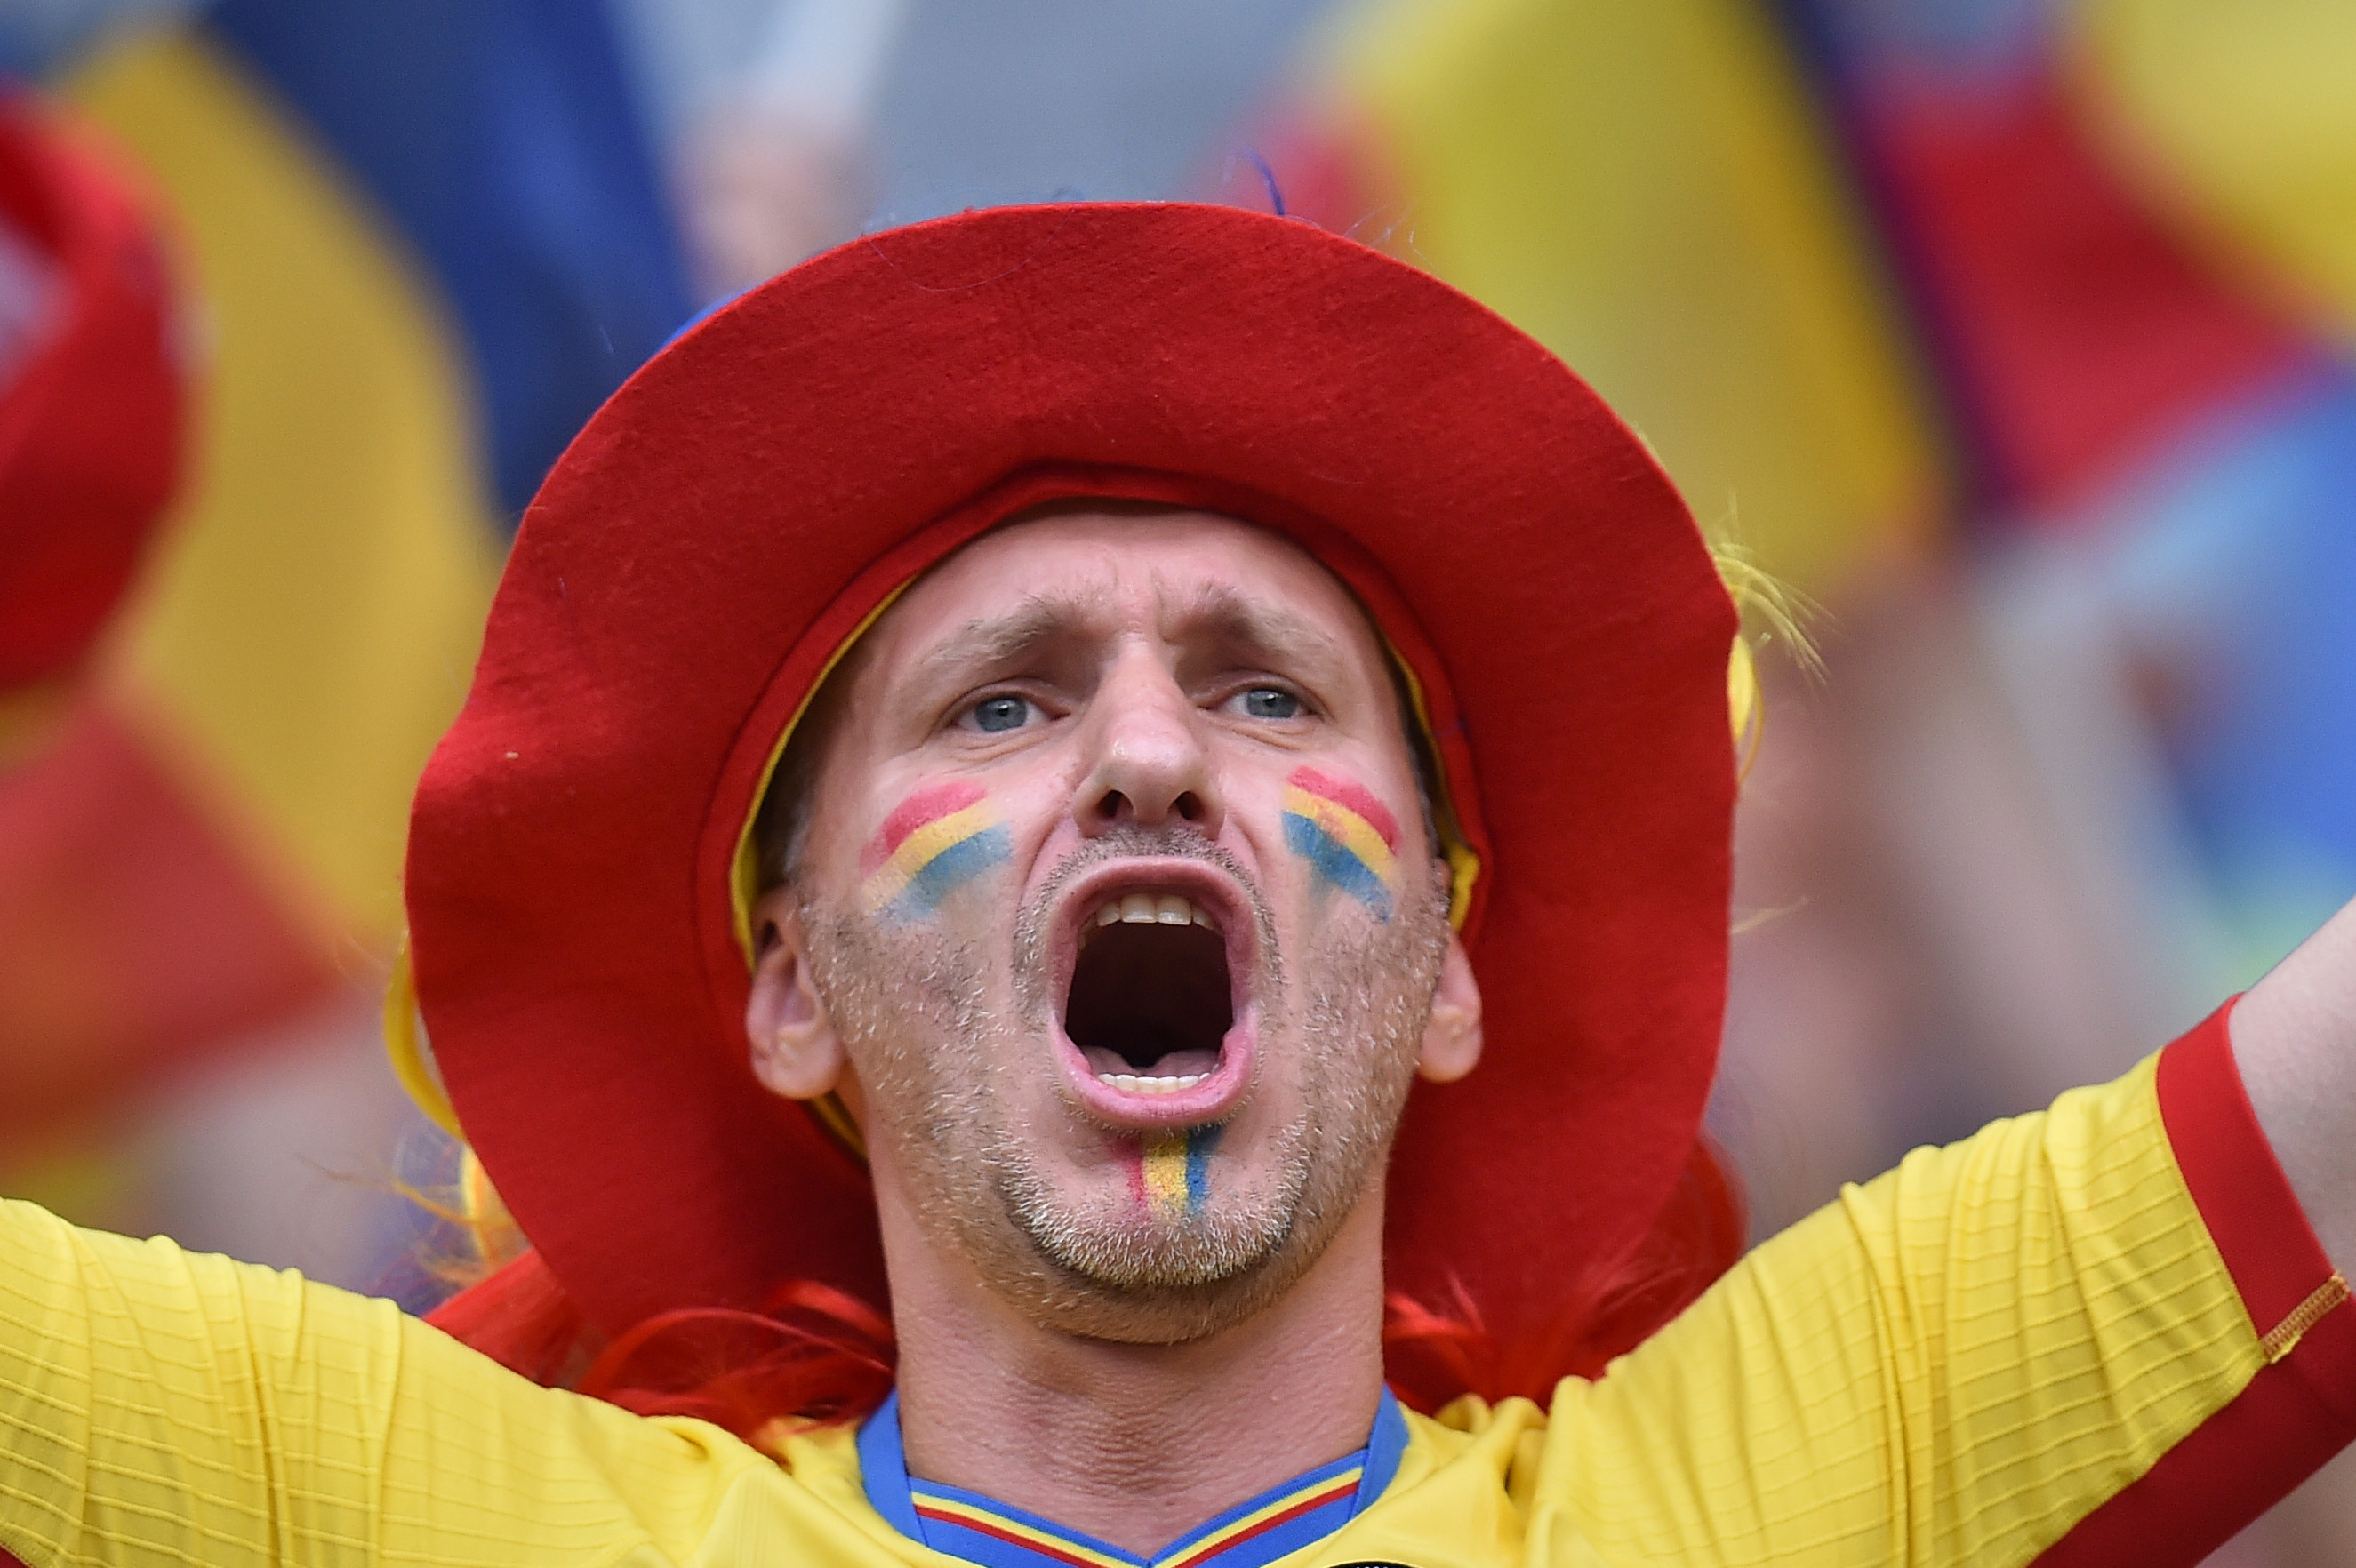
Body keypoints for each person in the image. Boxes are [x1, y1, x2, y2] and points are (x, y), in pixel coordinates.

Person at [4, 201, 2353, 1567]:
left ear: (1447, 963)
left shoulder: (1771, 1489)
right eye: (1001, 704)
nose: (1145, 751)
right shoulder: (445, 1518)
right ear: (787, 988)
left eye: (1260, 689)